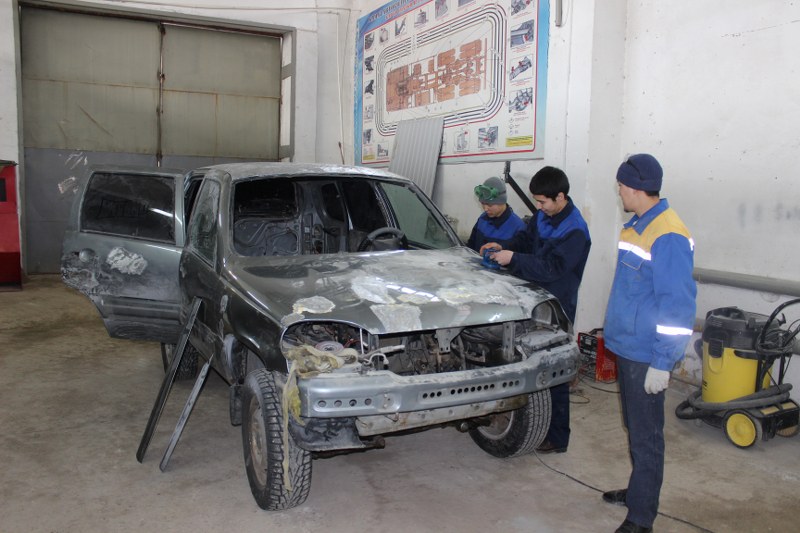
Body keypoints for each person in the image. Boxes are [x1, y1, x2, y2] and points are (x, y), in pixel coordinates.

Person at [601, 154, 697, 533]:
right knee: (635, 427)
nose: (619, 192)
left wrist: (663, 362)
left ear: (636, 188)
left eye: (621, 186)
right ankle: (639, 490)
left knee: (647, 435)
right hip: (629, 348)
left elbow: (677, 307)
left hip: (646, 354)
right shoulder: (639, 225)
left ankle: (641, 517)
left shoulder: (668, 234)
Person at [480, 166, 591, 454]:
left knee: (555, 371)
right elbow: (526, 241)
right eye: (537, 202)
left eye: (542, 202)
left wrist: (513, 259)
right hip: (532, 300)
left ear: (560, 197)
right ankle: (531, 422)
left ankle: (558, 437)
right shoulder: (544, 215)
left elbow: (552, 268)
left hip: (556, 306)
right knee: (528, 363)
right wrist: (503, 246)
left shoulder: (575, 230)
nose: (538, 207)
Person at [466, 176, 526, 252]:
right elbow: (471, 246)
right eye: (483, 203)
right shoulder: (482, 219)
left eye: (490, 205)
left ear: (502, 202)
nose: (485, 209)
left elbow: (519, 256)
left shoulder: (518, 227)